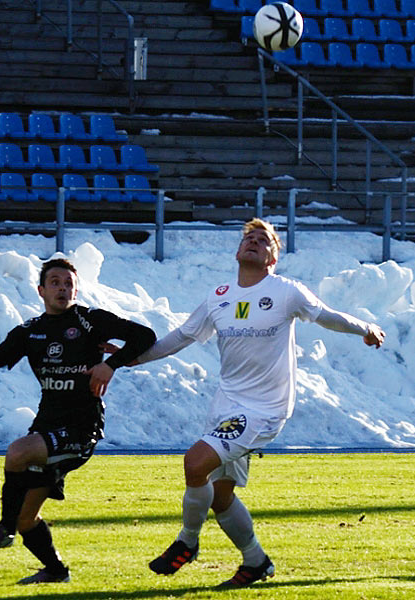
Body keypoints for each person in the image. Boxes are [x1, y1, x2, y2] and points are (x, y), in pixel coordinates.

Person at [135, 218, 385, 588]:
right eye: (248, 238)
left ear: (273, 258)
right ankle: (256, 562)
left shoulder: (285, 291)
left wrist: (364, 328)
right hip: (226, 407)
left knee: (194, 463)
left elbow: (326, 316)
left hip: (264, 409)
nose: (253, 242)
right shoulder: (219, 296)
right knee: (219, 495)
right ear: (238, 251)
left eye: (263, 240)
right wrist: (127, 360)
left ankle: (186, 542)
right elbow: (180, 337)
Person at [0, 257, 156, 585]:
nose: (62, 288)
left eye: (68, 283)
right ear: (41, 290)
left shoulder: (90, 321)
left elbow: (145, 335)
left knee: (17, 453)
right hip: (47, 426)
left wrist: (111, 364)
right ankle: (55, 571)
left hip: (81, 429)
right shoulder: (30, 331)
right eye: (55, 282)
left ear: (76, 290)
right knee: (29, 518)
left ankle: (3, 529)